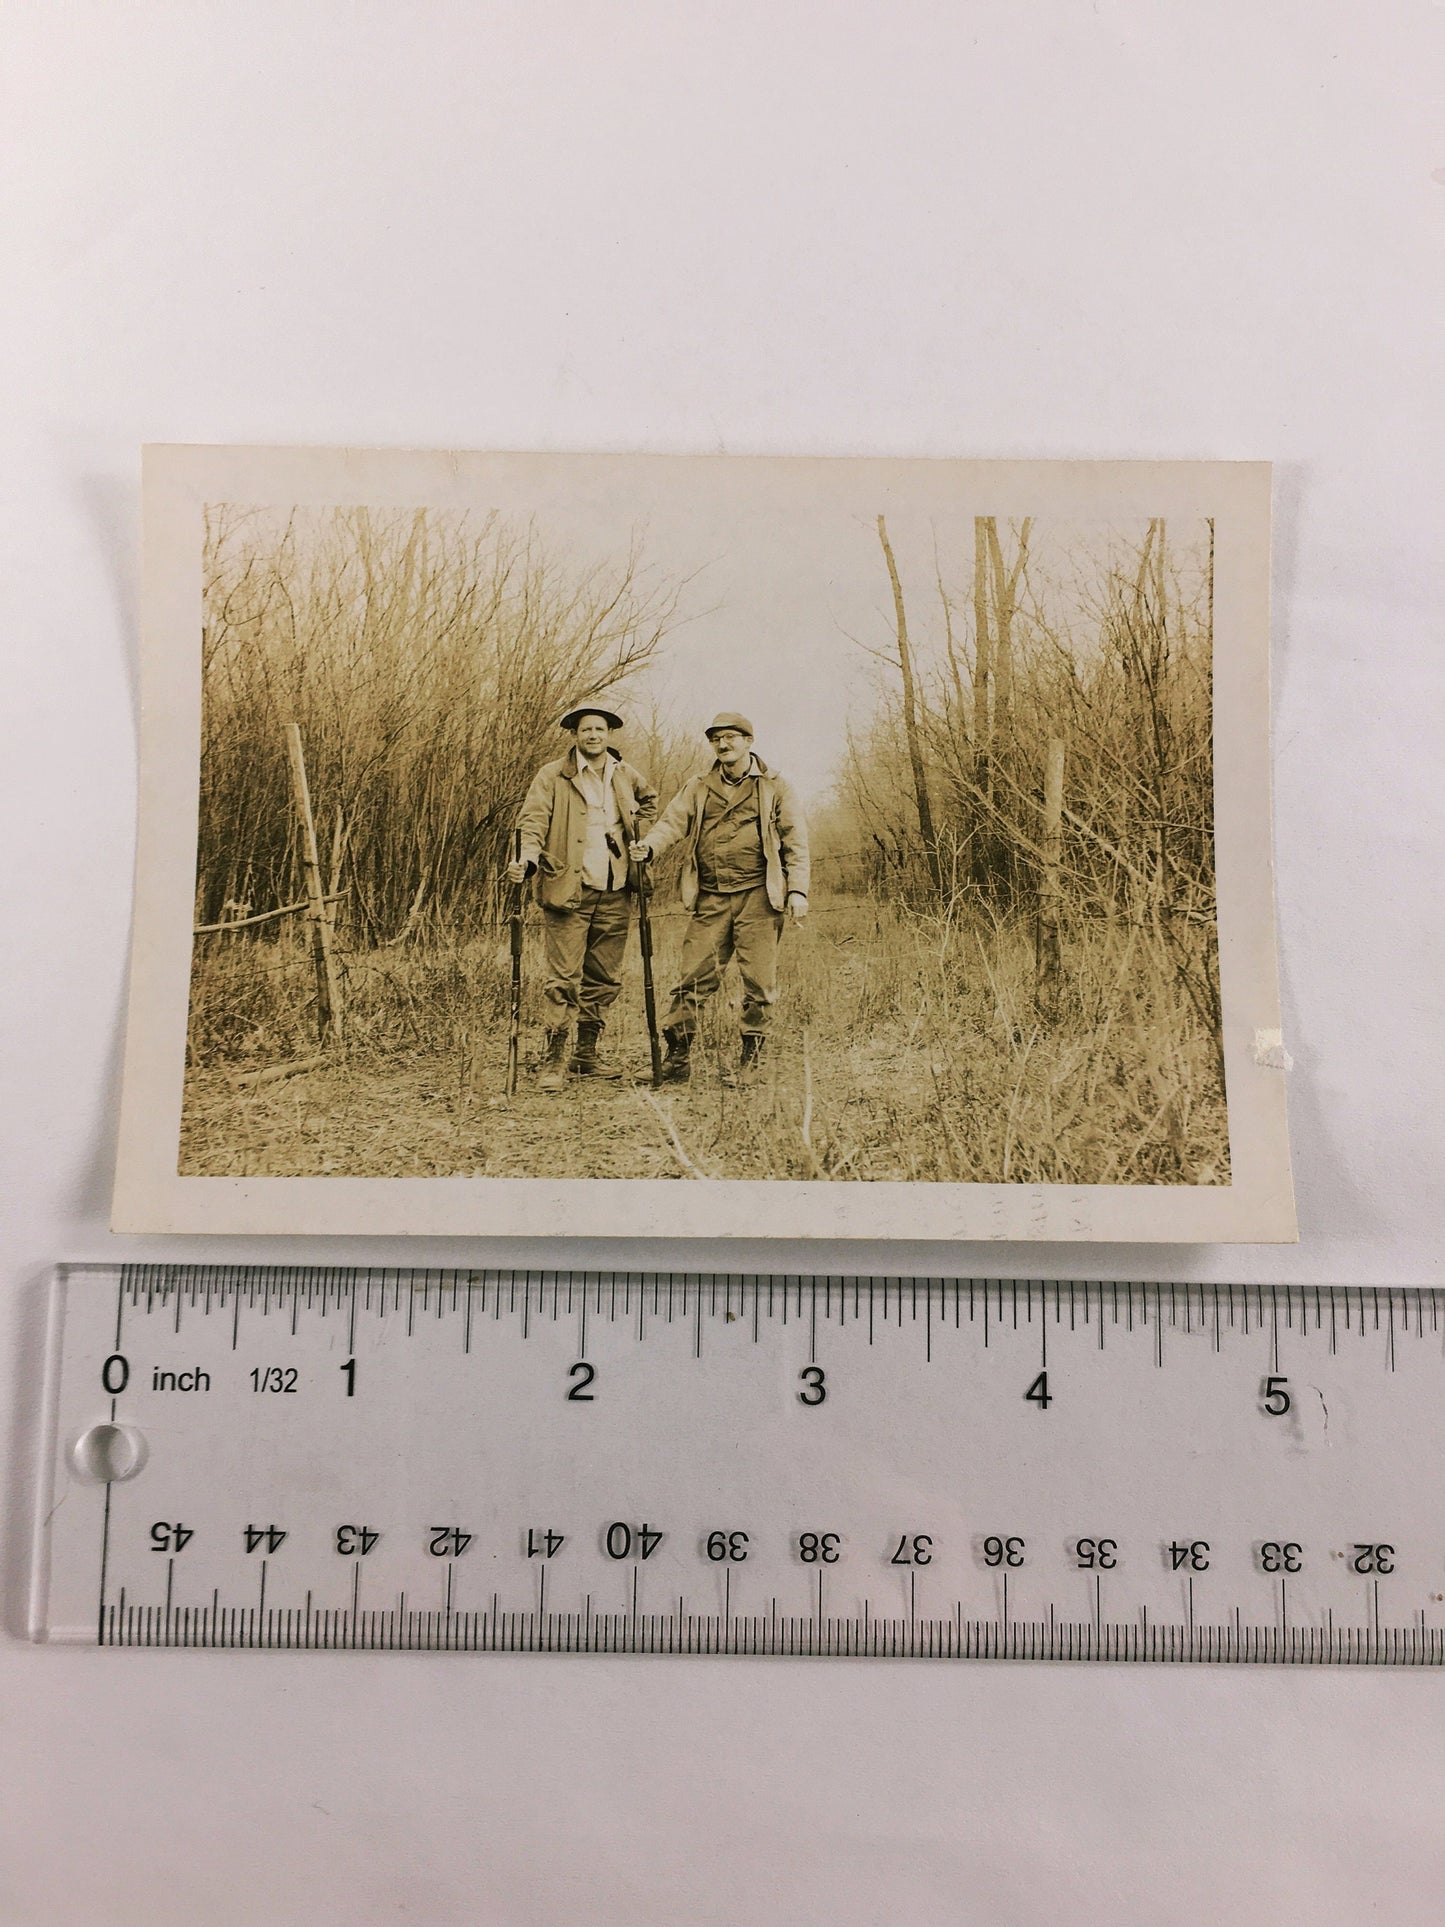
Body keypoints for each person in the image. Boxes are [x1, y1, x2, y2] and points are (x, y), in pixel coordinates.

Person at [630, 713, 809, 1084]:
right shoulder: (698, 785)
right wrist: (648, 848)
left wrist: (797, 890)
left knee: (759, 982)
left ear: (748, 741)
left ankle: (753, 1062)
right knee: (691, 979)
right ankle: (677, 1061)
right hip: (710, 898)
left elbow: (796, 841)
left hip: (760, 898)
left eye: (730, 737)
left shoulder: (775, 786)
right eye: (716, 739)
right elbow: (671, 822)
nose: (723, 744)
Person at [508, 703, 657, 1092]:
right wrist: (527, 857)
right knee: (563, 979)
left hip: (617, 888)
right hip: (568, 890)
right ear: (574, 735)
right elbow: (533, 820)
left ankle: (585, 1055)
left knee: (604, 978)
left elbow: (650, 802)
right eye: (586, 730)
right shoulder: (552, 775)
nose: (593, 736)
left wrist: (638, 832)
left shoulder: (624, 774)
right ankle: (554, 1061)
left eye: (600, 729)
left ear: (609, 735)